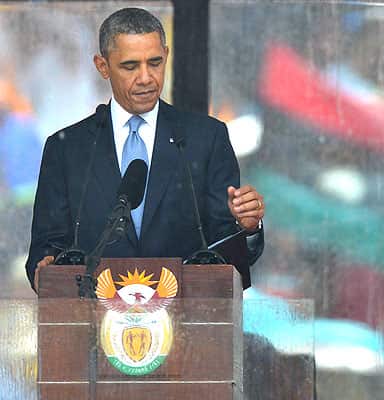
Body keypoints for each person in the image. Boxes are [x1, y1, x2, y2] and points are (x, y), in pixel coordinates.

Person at [26, 8, 264, 292]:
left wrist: (247, 229)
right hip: (92, 326)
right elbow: (44, 252)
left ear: (166, 54)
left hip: (187, 325)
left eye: (155, 63)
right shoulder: (66, 149)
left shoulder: (207, 138)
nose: (146, 78)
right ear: (103, 66)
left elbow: (226, 257)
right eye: (130, 66)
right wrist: (45, 269)